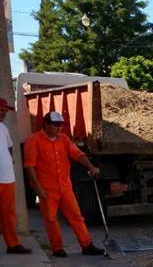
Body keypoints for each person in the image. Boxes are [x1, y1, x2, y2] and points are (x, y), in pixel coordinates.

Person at [23, 111, 104, 258]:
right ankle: (57, 248)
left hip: (65, 187)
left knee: (76, 216)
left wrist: (91, 167)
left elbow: (78, 154)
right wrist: (37, 187)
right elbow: (30, 166)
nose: (59, 128)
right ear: (46, 124)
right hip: (47, 189)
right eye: (55, 125)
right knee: (51, 219)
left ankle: (87, 245)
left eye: (60, 125)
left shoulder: (64, 139)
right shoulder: (33, 141)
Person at [0, 98, 30, 254]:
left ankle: (13, 245)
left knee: (8, 214)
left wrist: (9, 162)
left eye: (5, 111)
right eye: (1, 110)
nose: (3, 113)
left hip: (7, 179)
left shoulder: (3, 128)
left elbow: (10, 147)